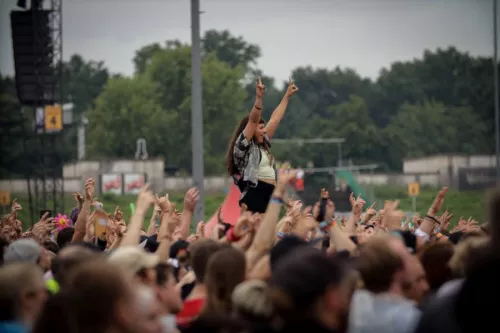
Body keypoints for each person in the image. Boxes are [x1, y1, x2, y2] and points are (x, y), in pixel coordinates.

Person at [226, 76, 298, 213]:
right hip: (254, 196)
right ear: (251, 131)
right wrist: (259, 98)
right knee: (256, 233)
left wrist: (287, 96)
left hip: (269, 195)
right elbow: (253, 120)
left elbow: (275, 119)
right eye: (261, 128)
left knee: (270, 233)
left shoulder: (261, 144)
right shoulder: (243, 146)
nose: (264, 131)